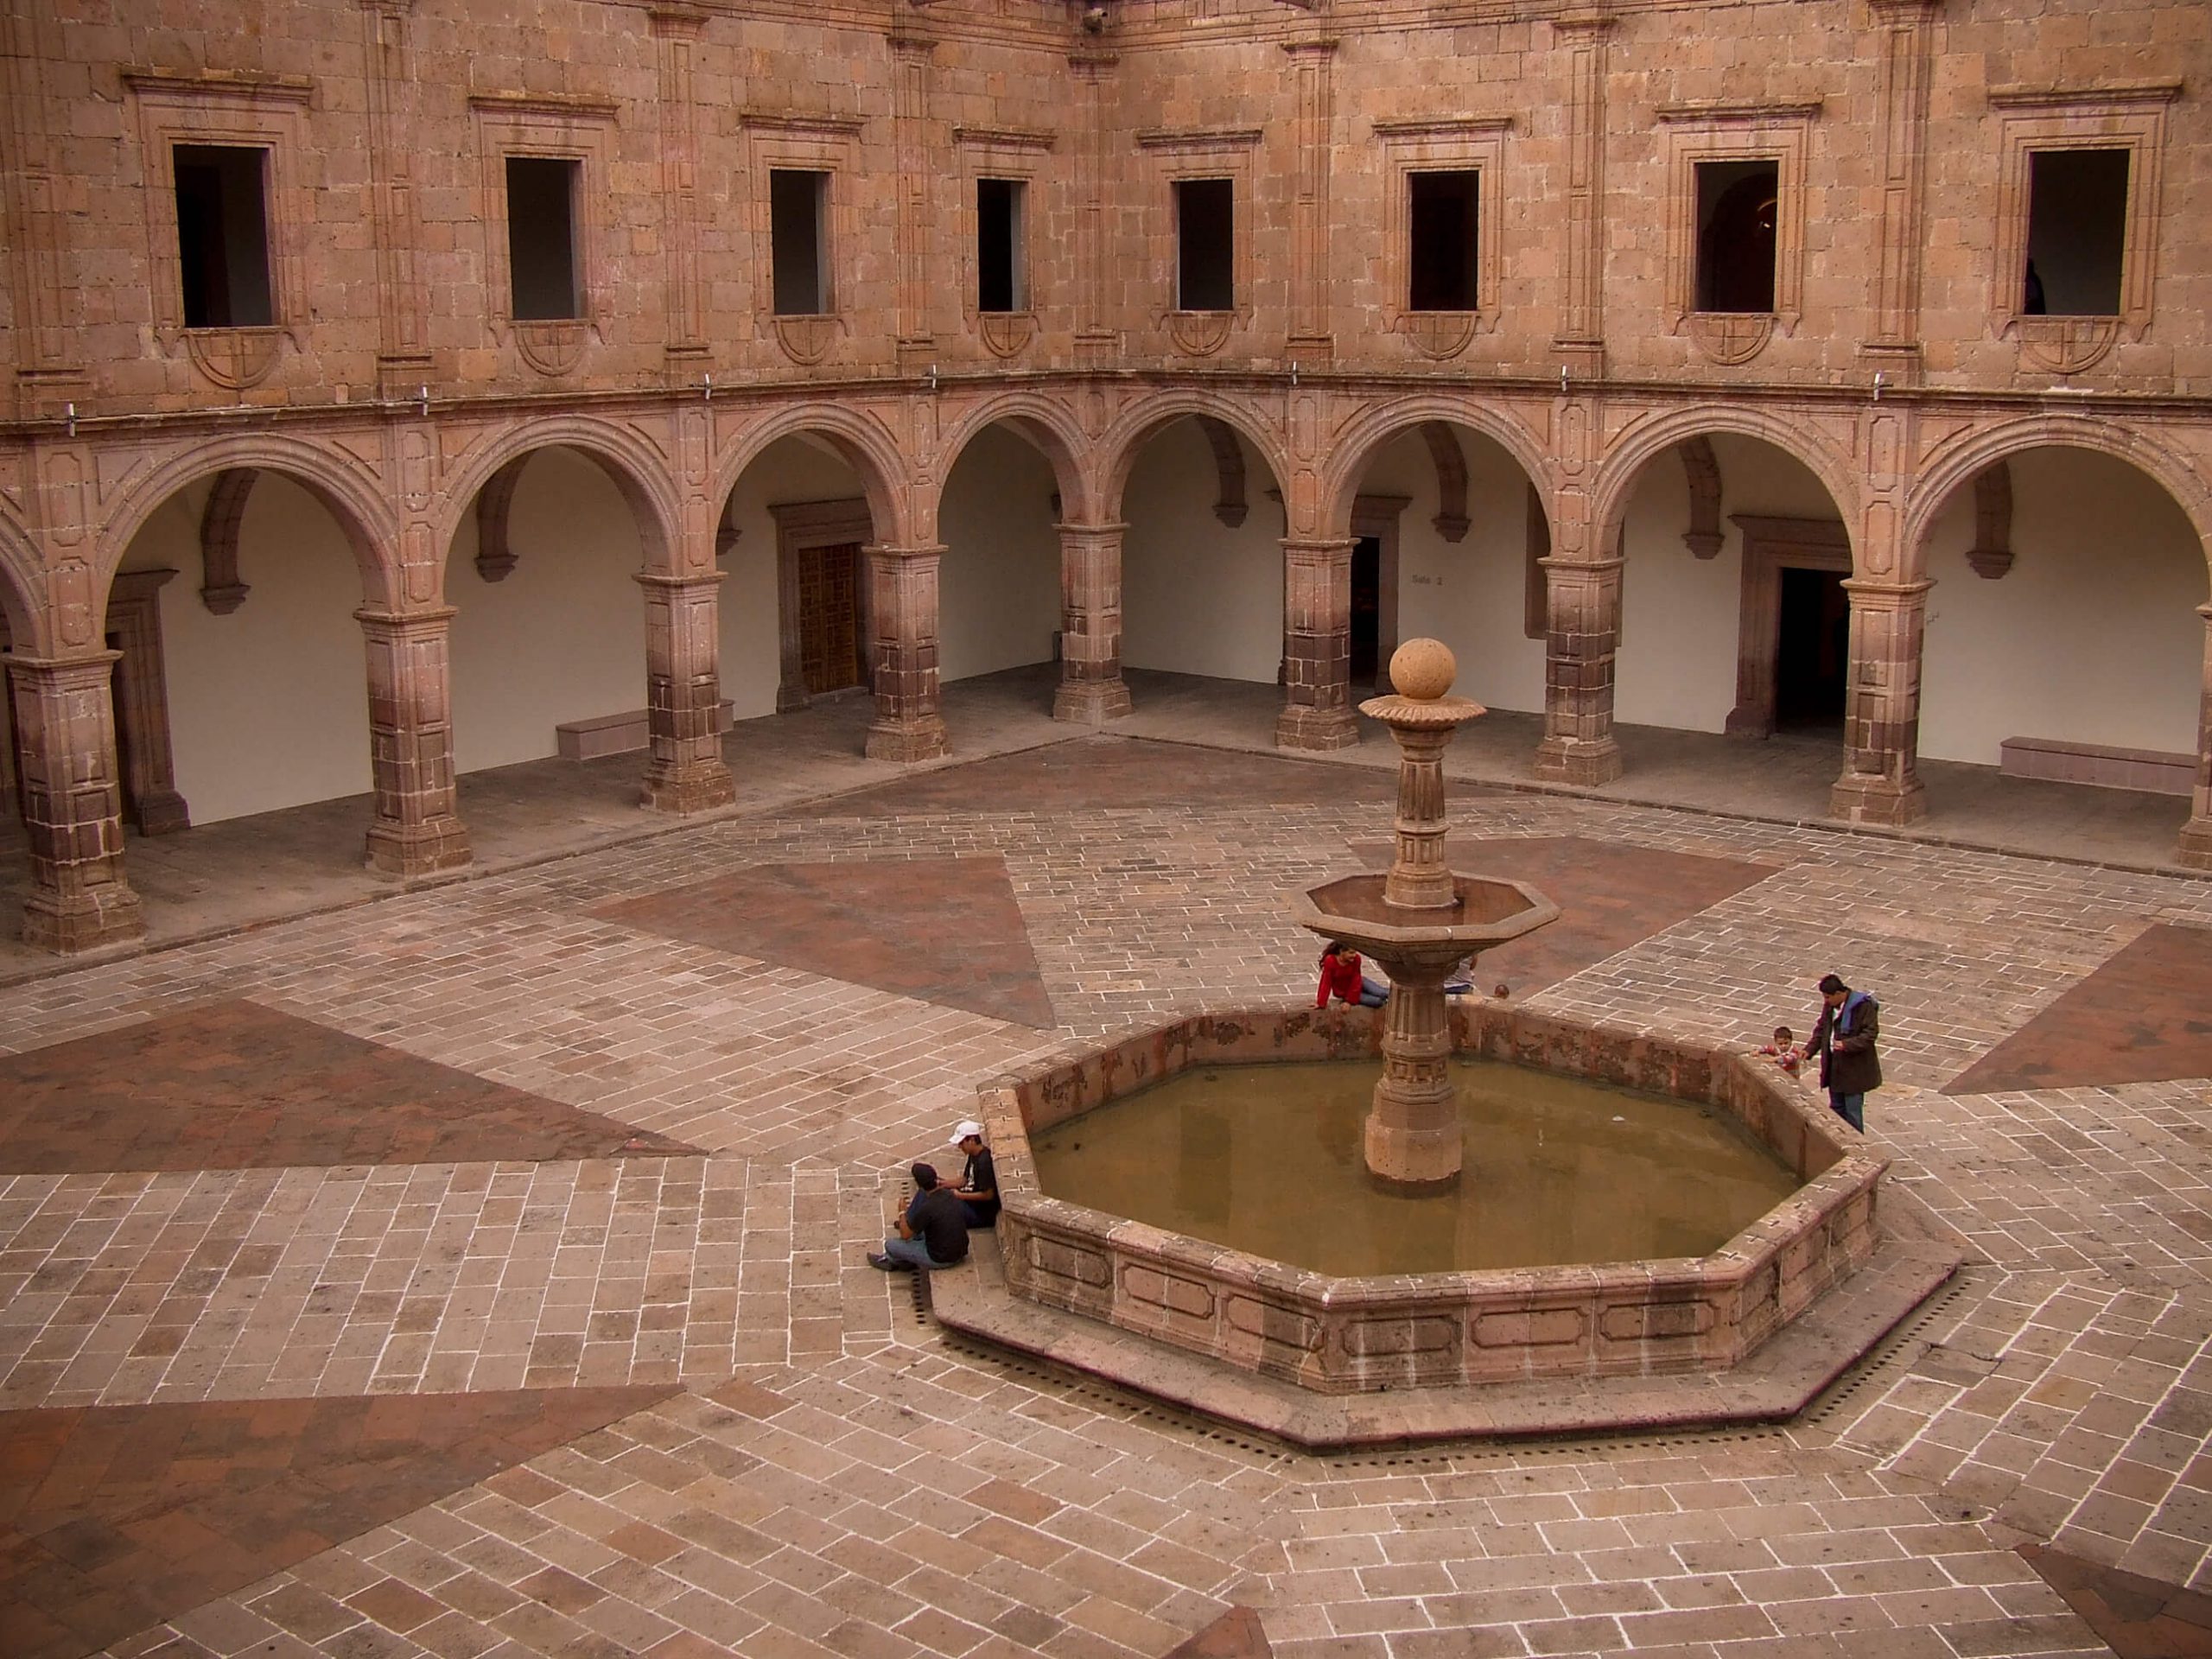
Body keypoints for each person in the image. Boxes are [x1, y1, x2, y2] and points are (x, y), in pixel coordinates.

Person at [1805, 974, 1880, 1132]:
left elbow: (1869, 1034)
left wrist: (1847, 1044)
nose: (1826, 1001)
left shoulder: (1863, 1006)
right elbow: (1821, 1030)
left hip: (1854, 1070)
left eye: (1828, 997)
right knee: (1836, 1109)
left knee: (1853, 1113)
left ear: (1839, 994)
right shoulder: (1830, 1007)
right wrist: (1809, 1050)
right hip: (1835, 1067)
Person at [868, 1163, 971, 1270]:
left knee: (891, 1245)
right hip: (959, 1252)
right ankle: (900, 1260)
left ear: (919, 1185)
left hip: (940, 1259)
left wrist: (902, 1212)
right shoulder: (950, 1195)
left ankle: (891, 1260)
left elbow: (905, 1235)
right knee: (917, 1233)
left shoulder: (927, 1207)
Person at [948, 1120, 1000, 1226]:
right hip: (967, 1200)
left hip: (979, 1213)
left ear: (971, 1140)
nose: (960, 1147)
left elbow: (988, 1195)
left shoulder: (984, 1162)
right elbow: (965, 1179)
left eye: (961, 1143)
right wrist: (942, 1184)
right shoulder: (973, 1155)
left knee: (941, 1206)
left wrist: (961, 1196)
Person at [1316, 940, 1388, 1008]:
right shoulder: (1330, 961)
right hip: (1345, 991)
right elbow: (1326, 982)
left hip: (1359, 983)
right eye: (1351, 953)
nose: (1354, 955)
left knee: (1382, 993)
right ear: (1342, 952)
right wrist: (1321, 1002)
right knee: (1377, 1002)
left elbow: (1356, 979)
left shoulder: (1357, 959)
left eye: (1355, 952)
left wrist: (1349, 1001)